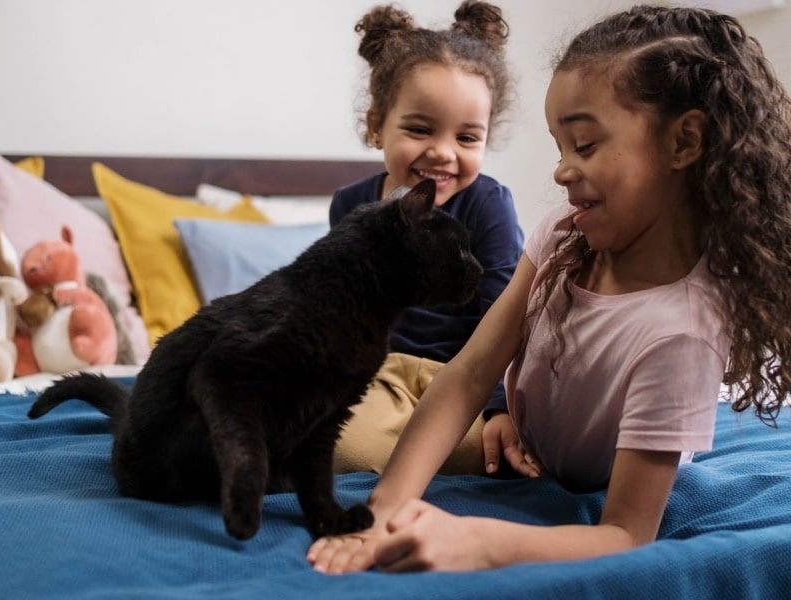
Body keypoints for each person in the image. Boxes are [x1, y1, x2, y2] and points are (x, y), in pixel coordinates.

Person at [309, 4, 791, 573]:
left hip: (578, 470)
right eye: (559, 146)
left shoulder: (681, 331)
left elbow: (626, 535)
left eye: (583, 145)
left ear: (683, 142)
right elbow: (470, 370)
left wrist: (477, 541)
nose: (561, 171)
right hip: (516, 433)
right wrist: (386, 506)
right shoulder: (564, 233)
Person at [331, 1, 523, 476]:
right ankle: (414, 452)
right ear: (377, 126)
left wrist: (500, 406)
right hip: (378, 377)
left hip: (464, 378)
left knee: (527, 445)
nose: (442, 153)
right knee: (340, 447)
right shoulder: (350, 206)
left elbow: (504, 318)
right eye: (420, 129)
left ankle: (423, 451)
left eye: (466, 138)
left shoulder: (489, 205)